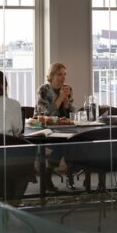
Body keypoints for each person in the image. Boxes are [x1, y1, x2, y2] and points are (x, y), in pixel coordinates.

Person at [36, 62, 74, 190]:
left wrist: (67, 101)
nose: (63, 78)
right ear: (51, 76)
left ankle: (67, 174)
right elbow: (46, 114)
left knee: (74, 141)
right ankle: (48, 173)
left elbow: (70, 114)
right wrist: (60, 97)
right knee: (63, 144)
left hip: (63, 127)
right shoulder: (43, 90)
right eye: (59, 75)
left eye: (64, 74)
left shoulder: (67, 89)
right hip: (44, 129)